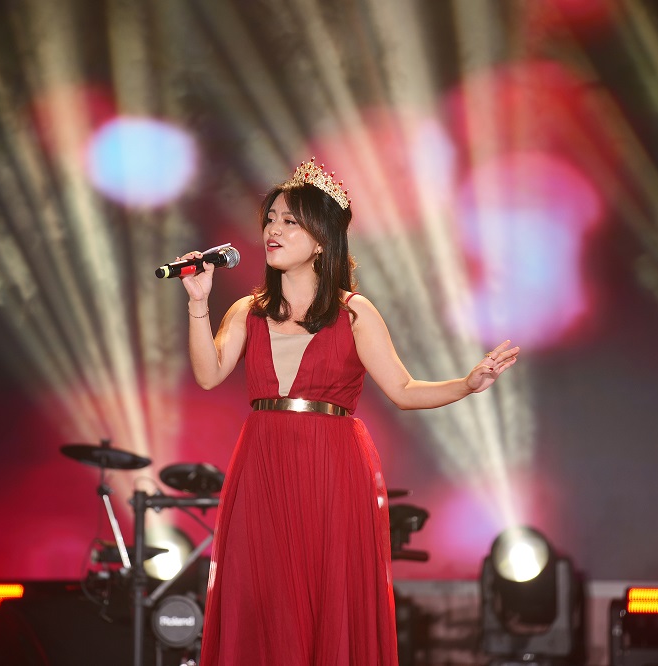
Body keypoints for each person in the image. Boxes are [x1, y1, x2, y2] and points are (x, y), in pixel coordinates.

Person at [174, 158, 520, 665]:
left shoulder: (354, 312)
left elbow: (403, 389)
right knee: (264, 594)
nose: (273, 230)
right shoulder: (248, 311)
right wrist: (197, 302)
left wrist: (467, 384)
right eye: (270, 219)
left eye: (290, 221)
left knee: (327, 593)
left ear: (321, 240)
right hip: (263, 464)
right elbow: (208, 374)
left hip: (331, 468)